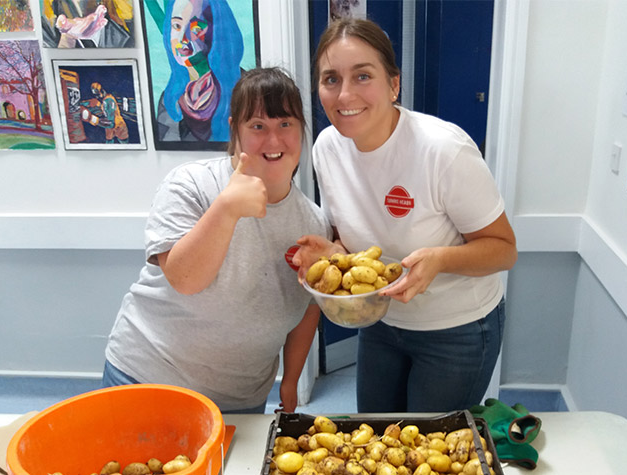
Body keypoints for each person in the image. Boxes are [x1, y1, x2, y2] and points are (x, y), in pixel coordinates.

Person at [294, 18, 518, 413]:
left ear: (394, 84)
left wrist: (440, 259)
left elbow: (503, 250)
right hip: (380, 323)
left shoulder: (442, 150)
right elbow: (355, 237)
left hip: (457, 330)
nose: (345, 94)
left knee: (429, 455)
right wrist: (333, 251)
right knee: (377, 441)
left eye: (363, 75)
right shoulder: (327, 148)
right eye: (331, 79)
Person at [103, 67, 331, 414]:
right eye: (257, 126)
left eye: (285, 124)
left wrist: (290, 380)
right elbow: (185, 279)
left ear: (301, 130)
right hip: (148, 378)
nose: (273, 140)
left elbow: (308, 306)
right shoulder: (191, 185)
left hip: (240, 399)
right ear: (234, 130)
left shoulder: (313, 221)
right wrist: (226, 209)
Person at [154, 0, 243, 143]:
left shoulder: (243, 89)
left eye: (195, 29)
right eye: (177, 26)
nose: (183, 39)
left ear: (216, 33)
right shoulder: (169, 98)